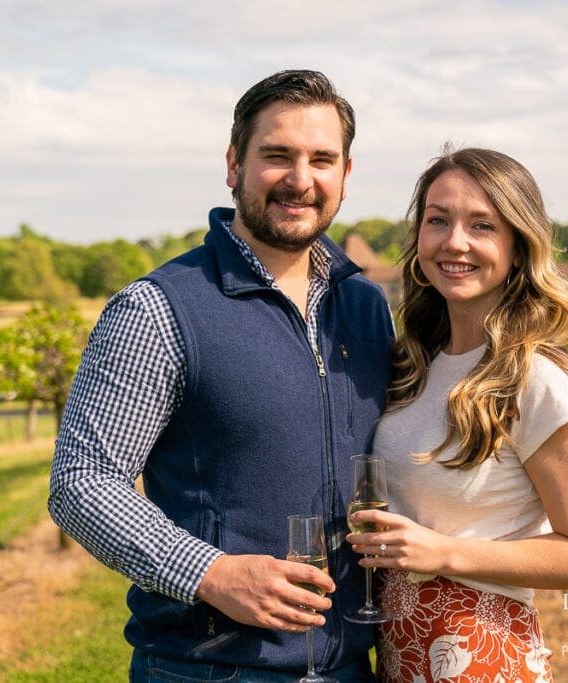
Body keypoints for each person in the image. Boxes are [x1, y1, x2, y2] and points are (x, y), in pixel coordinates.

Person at [49, 69, 394, 682]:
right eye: (277, 155)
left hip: (351, 667)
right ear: (234, 164)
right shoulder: (159, 308)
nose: (300, 178)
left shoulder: (367, 308)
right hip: (211, 669)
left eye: (322, 159)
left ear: (345, 174)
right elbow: (82, 483)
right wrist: (210, 573)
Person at [346, 147, 568, 682]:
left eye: (482, 226)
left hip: (483, 657)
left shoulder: (537, 379)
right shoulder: (413, 365)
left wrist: (444, 553)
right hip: (401, 657)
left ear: (519, 248)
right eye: (438, 221)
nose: (455, 242)